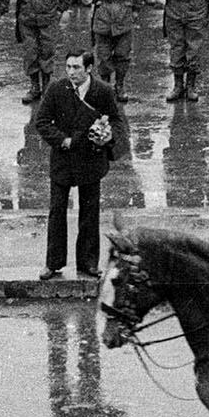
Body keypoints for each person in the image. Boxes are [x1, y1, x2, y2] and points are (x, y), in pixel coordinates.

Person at [35, 50, 123, 281]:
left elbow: (116, 120)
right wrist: (62, 141)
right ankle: (53, 263)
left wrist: (108, 136)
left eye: (76, 68)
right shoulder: (56, 89)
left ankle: (88, 263)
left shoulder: (103, 91)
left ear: (89, 69)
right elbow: (41, 121)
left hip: (90, 159)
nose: (71, 72)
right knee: (57, 212)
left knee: (89, 213)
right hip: (63, 159)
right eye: (68, 67)